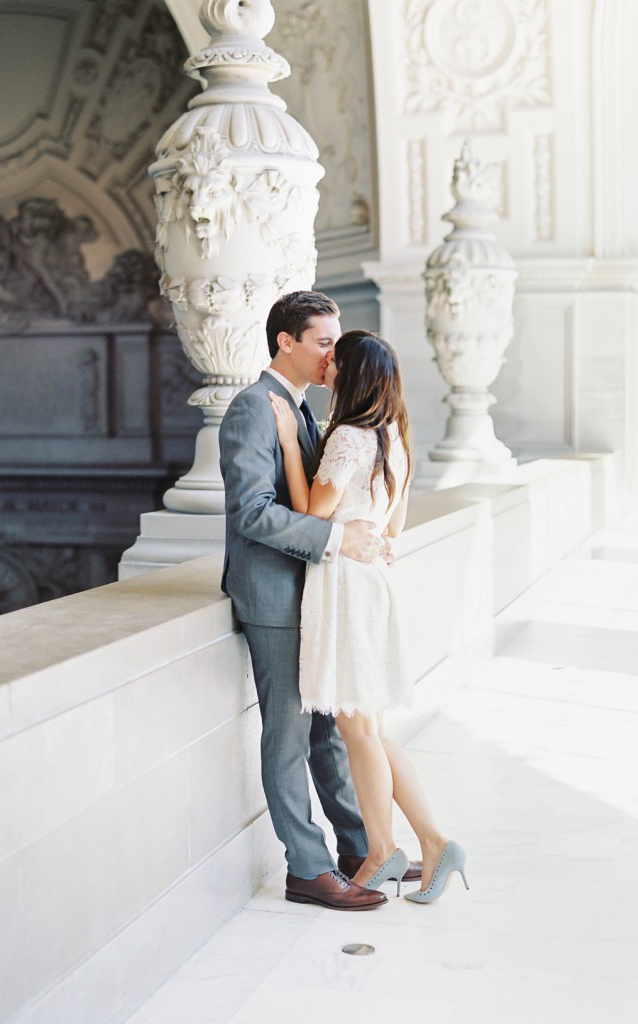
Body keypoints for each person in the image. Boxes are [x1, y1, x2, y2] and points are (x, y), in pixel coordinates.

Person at [219, 290, 420, 911]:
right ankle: (307, 868)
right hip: (273, 594)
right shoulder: (254, 408)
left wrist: (349, 539)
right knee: (288, 734)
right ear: (287, 342)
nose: (335, 353)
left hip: (316, 592)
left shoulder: (306, 410)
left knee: (331, 731)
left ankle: (361, 850)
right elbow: (252, 512)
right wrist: (340, 538)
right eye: (324, 341)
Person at [269, 329, 469, 903]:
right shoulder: (393, 436)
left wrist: (288, 442)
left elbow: (310, 511)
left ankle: (385, 850)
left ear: (351, 375)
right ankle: (431, 843)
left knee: (357, 726)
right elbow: (395, 527)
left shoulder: (350, 439)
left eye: (336, 361)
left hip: (347, 586)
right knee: (370, 729)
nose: (327, 365)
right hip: (373, 581)